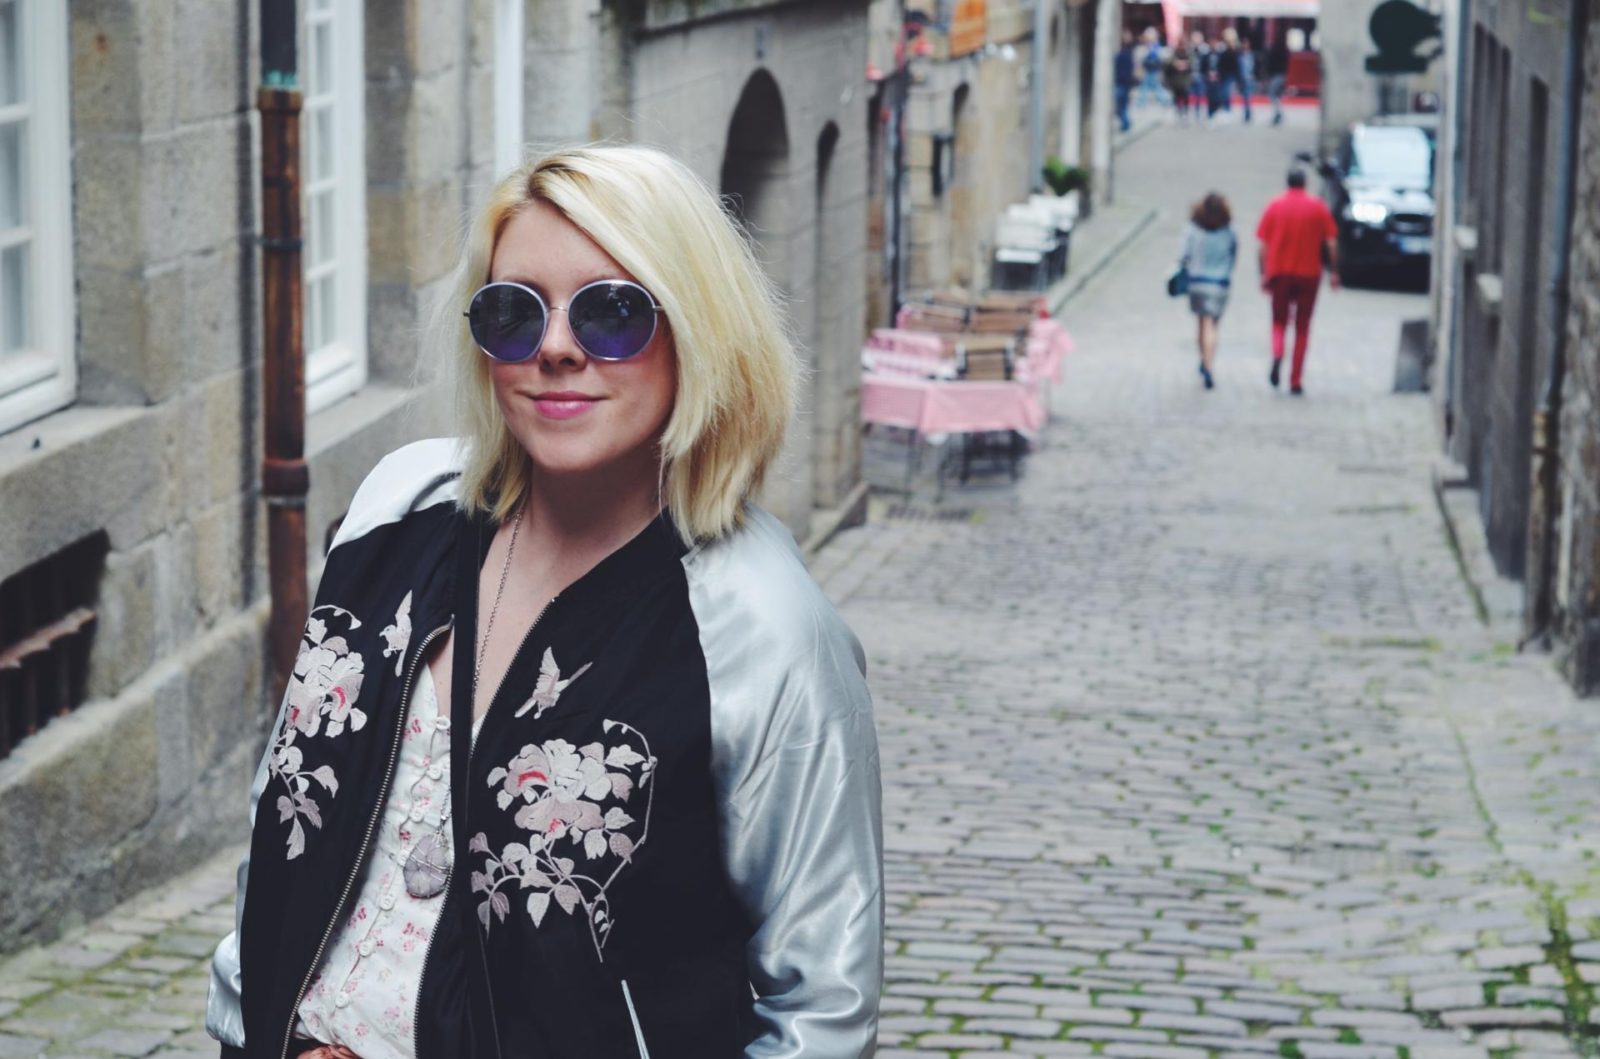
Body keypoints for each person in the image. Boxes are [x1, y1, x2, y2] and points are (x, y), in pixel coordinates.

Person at [205, 145, 885, 1058]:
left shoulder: (766, 627)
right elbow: (284, 819)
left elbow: (822, 1011)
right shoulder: (395, 508)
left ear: (699, 328)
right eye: (513, 312)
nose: (557, 347)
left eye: (613, 311)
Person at [1256, 165, 1340, 394]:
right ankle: (1295, 379)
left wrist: (1263, 273)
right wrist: (1333, 271)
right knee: (1302, 327)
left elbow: (1262, 245)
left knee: (1279, 321)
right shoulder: (1317, 207)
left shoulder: (1275, 205)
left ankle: (1277, 352)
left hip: (1280, 273)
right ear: (1305, 183)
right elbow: (1331, 243)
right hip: (1309, 274)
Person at [1179, 193, 1238, 390]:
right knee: (1212, 324)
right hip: (1219, 283)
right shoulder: (1229, 230)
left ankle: (1205, 360)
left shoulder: (1193, 228)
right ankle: (1208, 362)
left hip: (1197, 282)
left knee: (1203, 322)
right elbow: (1233, 253)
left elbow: (1183, 255)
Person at [1164, 43, 1194, 123]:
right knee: (1177, 98)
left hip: (1185, 81)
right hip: (1175, 81)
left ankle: (1185, 113)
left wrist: (1185, 64)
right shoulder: (1173, 56)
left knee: (1186, 97)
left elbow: (1192, 65)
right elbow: (1167, 66)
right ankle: (1179, 112)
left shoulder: (1188, 55)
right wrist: (1175, 64)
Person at [1115, 31, 1138, 132]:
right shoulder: (1127, 54)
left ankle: (1126, 123)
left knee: (1120, 105)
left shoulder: (1124, 54)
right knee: (1122, 105)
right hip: (1124, 83)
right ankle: (1126, 123)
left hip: (1122, 83)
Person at [1266, 36, 1291, 125]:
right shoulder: (1284, 52)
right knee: (1276, 95)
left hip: (1277, 75)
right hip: (1282, 75)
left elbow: (1271, 64)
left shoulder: (1274, 52)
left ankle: (1278, 112)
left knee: (1272, 94)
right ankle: (1278, 112)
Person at [1138, 31, 1167, 107]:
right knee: (1145, 87)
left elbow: (1159, 58)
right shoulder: (1147, 46)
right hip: (1148, 70)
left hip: (1154, 70)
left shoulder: (1156, 47)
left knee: (1155, 87)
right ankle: (1142, 102)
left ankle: (1164, 100)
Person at [1236, 38, 1257, 123]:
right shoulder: (1239, 55)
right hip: (1242, 79)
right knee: (1245, 97)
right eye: (1243, 44)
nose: (1245, 45)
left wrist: (1255, 75)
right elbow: (1238, 68)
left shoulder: (1252, 55)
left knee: (1247, 96)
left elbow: (1255, 67)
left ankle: (1248, 113)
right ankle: (1247, 113)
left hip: (1250, 78)